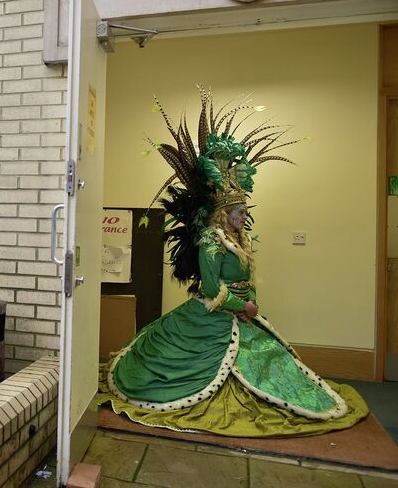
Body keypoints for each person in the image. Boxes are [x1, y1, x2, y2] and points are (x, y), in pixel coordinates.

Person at [97, 89, 368, 436]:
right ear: (224, 213)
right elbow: (211, 288)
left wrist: (251, 305)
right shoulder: (211, 241)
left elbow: (246, 277)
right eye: (240, 212)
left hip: (241, 314)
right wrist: (244, 305)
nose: (244, 217)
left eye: (245, 211)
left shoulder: (240, 240)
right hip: (216, 314)